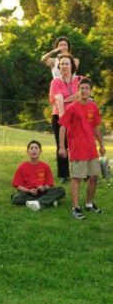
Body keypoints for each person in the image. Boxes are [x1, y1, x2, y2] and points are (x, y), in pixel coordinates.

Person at [59, 78, 105, 220]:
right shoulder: (72, 107)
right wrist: (62, 147)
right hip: (77, 148)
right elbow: (63, 127)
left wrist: (101, 145)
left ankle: (89, 204)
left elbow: (96, 128)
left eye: (86, 88)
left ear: (90, 90)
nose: (84, 91)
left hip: (91, 148)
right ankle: (75, 208)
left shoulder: (94, 107)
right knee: (77, 178)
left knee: (94, 177)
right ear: (78, 90)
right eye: (82, 88)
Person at [49, 54, 82, 183]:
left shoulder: (80, 79)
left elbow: (82, 94)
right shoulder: (55, 81)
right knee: (61, 145)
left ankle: (80, 171)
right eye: (62, 64)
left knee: (78, 143)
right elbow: (57, 98)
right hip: (59, 115)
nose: (64, 66)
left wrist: (67, 100)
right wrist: (63, 114)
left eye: (67, 63)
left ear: (72, 66)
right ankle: (64, 174)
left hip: (77, 116)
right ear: (59, 66)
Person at [11, 140, 65, 211]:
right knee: (16, 198)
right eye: (31, 148)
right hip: (28, 193)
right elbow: (18, 186)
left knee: (61, 190)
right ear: (27, 152)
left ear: (40, 151)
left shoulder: (45, 166)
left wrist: (43, 188)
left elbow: (49, 184)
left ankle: (37, 203)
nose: (34, 150)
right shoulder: (22, 167)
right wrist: (29, 190)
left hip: (42, 192)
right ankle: (48, 201)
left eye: (36, 148)